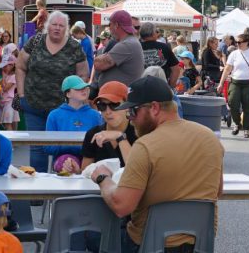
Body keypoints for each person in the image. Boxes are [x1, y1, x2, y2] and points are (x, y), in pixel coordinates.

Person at [91, 76, 224, 253]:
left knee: (92, 237)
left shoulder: (145, 145)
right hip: (199, 244)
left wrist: (102, 178)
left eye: (133, 111)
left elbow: (121, 206)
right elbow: (217, 191)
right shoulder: (210, 138)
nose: (130, 118)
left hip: (149, 245)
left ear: (154, 108)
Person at [16, 10, 89, 171]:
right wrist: (21, 94)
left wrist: (76, 99)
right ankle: (38, 193)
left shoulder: (74, 47)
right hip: (33, 105)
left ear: (66, 28)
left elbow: (83, 75)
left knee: (62, 149)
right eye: (54, 24)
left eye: (61, 25)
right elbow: (20, 67)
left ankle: (59, 190)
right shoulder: (35, 42)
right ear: (48, 26)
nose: (57, 28)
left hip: (63, 109)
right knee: (37, 149)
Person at [46, 75, 102, 174]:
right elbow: (48, 146)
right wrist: (75, 147)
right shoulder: (54, 115)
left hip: (91, 158)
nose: (84, 90)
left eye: (85, 88)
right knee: (67, 162)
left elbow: (101, 143)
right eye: (78, 88)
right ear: (68, 94)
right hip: (64, 158)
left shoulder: (95, 115)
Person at [81, 81, 136, 170]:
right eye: (102, 105)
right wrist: (75, 170)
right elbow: (85, 174)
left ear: (127, 106)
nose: (108, 111)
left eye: (114, 105)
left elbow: (137, 171)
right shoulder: (92, 135)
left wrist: (120, 137)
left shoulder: (139, 132)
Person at [217, 33, 249, 138]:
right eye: (236, 42)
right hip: (235, 82)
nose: (237, 44)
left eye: (239, 42)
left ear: (247, 42)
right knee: (232, 102)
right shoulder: (234, 54)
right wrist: (221, 83)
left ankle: (247, 129)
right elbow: (227, 69)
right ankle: (237, 124)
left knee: (248, 106)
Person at [93, 10, 144, 88]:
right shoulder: (129, 42)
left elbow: (98, 64)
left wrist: (101, 57)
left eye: (110, 24)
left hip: (120, 97)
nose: (109, 28)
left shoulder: (127, 44)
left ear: (116, 25)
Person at [139, 22, 180, 87]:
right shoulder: (164, 47)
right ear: (153, 34)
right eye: (156, 31)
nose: (158, 33)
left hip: (140, 87)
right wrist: (170, 86)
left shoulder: (136, 47)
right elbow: (176, 69)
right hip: (161, 87)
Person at [0, 55, 19, 130]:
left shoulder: (14, 76)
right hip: (7, 102)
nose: (3, 68)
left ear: (12, 65)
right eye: (3, 66)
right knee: (12, 122)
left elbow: (5, 88)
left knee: (8, 124)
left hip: (10, 102)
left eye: (5, 66)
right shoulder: (7, 75)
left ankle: (11, 140)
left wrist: (3, 77)